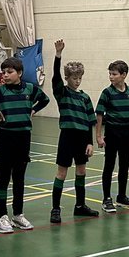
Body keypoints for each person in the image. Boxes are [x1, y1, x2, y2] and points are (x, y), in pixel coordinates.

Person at [0, 55, 50, 233]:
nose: (5, 75)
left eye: (10, 72)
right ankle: (1, 216)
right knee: (3, 177)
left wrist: (33, 109)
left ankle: (17, 214)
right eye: (4, 72)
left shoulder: (30, 89)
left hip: (23, 137)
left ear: (20, 73)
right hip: (6, 138)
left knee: (19, 178)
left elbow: (45, 100)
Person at [49, 40, 98, 224]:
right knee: (62, 172)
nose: (77, 81)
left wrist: (90, 142)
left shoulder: (85, 97)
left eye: (80, 78)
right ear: (67, 78)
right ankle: (55, 208)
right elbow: (55, 76)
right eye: (74, 78)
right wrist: (58, 55)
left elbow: (89, 122)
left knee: (81, 171)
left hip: (81, 138)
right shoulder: (62, 93)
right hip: (67, 137)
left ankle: (80, 205)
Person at [95, 60, 129, 214]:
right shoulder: (107, 93)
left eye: (114, 74)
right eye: (110, 74)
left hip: (125, 133)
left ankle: (121, 196)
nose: (111, 77)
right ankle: (106, 198)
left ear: (124, 75)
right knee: (109, 165)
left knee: (124, 165)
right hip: (112, 133)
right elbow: (99, 114)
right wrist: (99, 136)